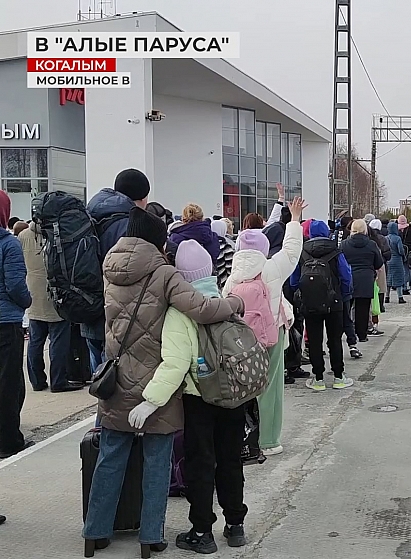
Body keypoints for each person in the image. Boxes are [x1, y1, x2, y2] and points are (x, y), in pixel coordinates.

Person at [82, 207, 245, 556]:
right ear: (157, 241)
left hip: (116, 376)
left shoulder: (108, 265)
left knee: (110, 456)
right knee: (157, 461)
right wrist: (233, 303)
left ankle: (94, 532)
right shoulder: (164, 273)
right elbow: (201, 309)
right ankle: (149, 537)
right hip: (157, 381)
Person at [145, 240, 249, 554]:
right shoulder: (224, 300)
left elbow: (176, 364)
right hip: (234, 393)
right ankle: (235, 526)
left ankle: (202, 531)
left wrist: (151, 399)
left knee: (201, 463)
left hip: (200, 396)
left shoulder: (181, 312)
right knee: (231, 460)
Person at [223, 198, 305, 456]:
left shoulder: (232, 275)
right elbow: (292, 251)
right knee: (270, 387)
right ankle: (268, 440)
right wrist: (294, 220)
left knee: (242, 386)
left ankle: (243, 437)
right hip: (271, 334)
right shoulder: (270, 268)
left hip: (240, 338)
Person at [83, 168, 150, 377]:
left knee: (100, 381)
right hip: (117, 317)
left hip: (88, 309)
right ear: (143, 196)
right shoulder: (130, 223)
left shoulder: (89, 214)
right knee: (117, 386)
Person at [19, 210, 81, 392]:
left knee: (35, 341)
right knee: (58, 342)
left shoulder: (23, 236)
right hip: (56, 295)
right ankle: (58, 381)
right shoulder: (60, 234)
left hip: (33, 295)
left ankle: (37, 381)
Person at [290, 220, 353, 391]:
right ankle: (339, 376)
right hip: (334, 302)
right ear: (327, 232)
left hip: (310, 302)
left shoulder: (302, 252)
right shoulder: (335, 251)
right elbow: (346, 276)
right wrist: (344, 295)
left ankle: (318, 378)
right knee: (334, 339)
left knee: (315, 340)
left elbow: (294, 280)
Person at [0, 190, 33, 460]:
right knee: (8, 383)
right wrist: (26, 302)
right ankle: (9, 441)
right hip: (6, 322)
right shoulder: (8, 245)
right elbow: (15, 285)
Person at [341, 219, 384, 345]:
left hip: (348, 278)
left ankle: (349, 331)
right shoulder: (371, 245)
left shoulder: (344, 244)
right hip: (366, 278)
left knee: (347, 307)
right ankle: (362, 334)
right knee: (363, 308)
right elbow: (379, 263)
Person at [368, 219, 390, 335]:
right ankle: (375, 320)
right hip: (379, 268)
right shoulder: (381, 239)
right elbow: (387, 254)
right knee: (379, 293)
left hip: (364, 272)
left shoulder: (364, 240)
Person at [385, 221, 406, 304]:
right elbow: (400, 250)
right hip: (397, 260)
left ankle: (387, 297)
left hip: (388, 260)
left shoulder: (386, 238)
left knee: (388, 279)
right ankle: (400, 297)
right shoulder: (397, 238)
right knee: (398, 278)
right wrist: (403, 254)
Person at [211, 219, 234, 289]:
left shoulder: (206, 245)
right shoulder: (226, 246)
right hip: (224, 284)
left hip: (211, 284)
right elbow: (230, 269)